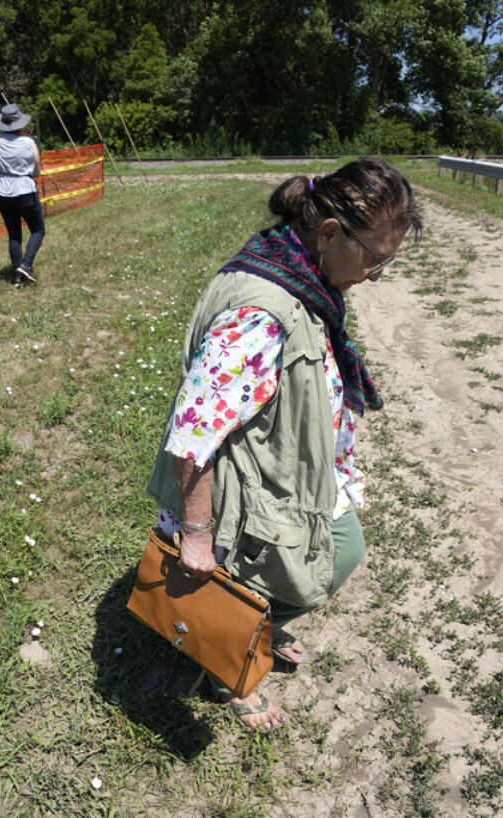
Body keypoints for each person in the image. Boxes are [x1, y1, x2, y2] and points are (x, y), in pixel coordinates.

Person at [145, 157, 421, 731]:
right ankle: (228, 664)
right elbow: (195, 430)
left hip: (281, 463)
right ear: (328, 233)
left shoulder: (291, 270)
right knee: (298, 566)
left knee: (327, 555)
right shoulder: (261, 313)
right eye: (374, 257)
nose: (374, 274)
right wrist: (196, 536)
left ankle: (254, 627)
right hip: (247, 488)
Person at [0, 103, 44, 287]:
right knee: (37, 229)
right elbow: (36, 169)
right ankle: (26, 264)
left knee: (14, 234)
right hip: (24, 189)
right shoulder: (29, 142)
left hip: (2, 190)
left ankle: (17, 275)